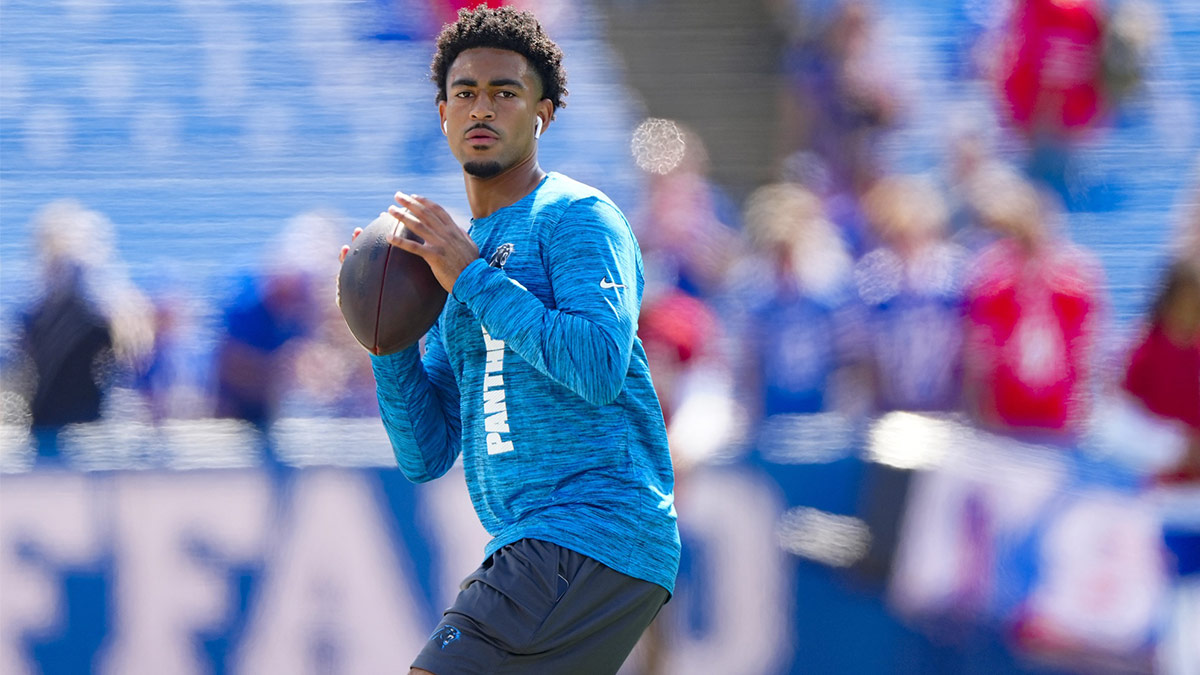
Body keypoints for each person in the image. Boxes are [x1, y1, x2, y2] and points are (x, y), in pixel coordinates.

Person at [337, 7, 678, 674]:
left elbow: (598, 365)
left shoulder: (577, 217)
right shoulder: (458, 256)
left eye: (505, 92)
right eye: (465, 93)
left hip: (591, 525)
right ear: (442, 114)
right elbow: (426, 451)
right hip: (542, 541)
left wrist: (469, 275)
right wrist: (386, 341)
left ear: (542, 112)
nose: (481, 108)